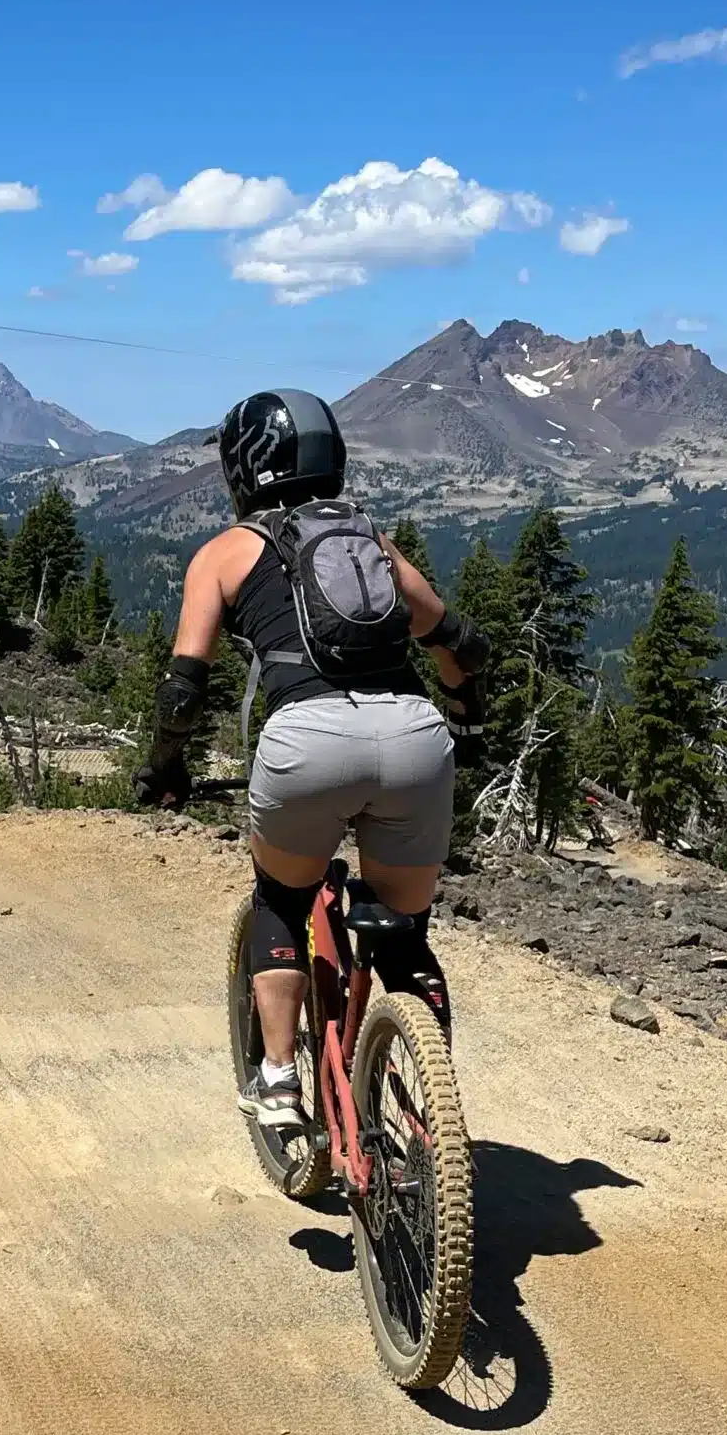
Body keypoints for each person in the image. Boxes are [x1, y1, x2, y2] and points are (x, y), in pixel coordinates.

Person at [134, 389, 487, 1137]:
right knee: (406, 931)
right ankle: (433, 1107)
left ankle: (279, 1080)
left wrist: (165, 767)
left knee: (280, 903)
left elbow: (181, 688)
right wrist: (465, 714)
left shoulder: (226, 552)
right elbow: (459, 640)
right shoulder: (371, 542)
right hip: (417, 739)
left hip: (307, 746)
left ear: (244, 465)